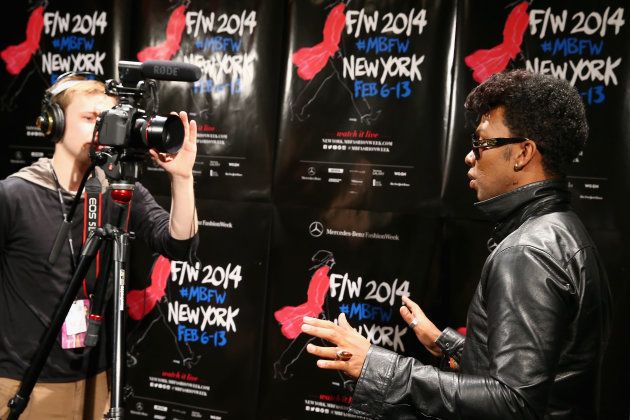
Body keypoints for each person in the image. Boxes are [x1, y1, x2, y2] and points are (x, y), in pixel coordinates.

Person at [301, 69, 612, 419]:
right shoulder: (562, 229)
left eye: (481, 143)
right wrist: (446, 344)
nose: (469, 156)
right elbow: (546, 373)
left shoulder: (527, 252)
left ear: (523, 153)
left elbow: (514, 403)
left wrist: (377, 367)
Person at [0, 73, 199, 419]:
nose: (101, 128)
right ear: (55, 124)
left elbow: (178, 244)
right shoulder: (15, 194)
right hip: (24, 383)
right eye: (90, 118)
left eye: (107, 119)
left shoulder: (119, 191)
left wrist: (182, 178)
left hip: (98, 381)